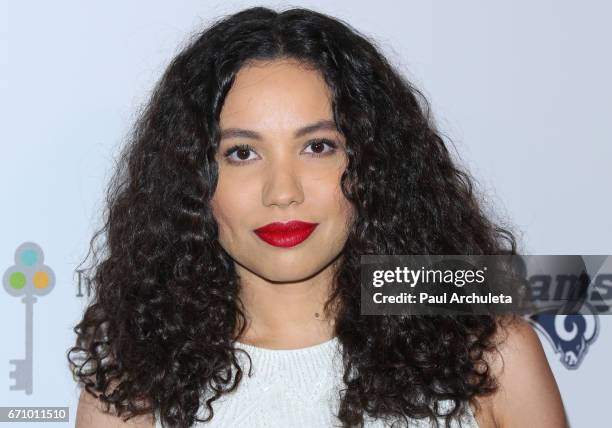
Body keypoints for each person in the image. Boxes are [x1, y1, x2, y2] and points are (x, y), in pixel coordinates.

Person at [68, 6, 568, 428]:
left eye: (318, 146)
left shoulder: (488, 354)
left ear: (375, 163)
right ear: (190, 178)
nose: (282, 193)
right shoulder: (134, 384)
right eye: (242, 152)